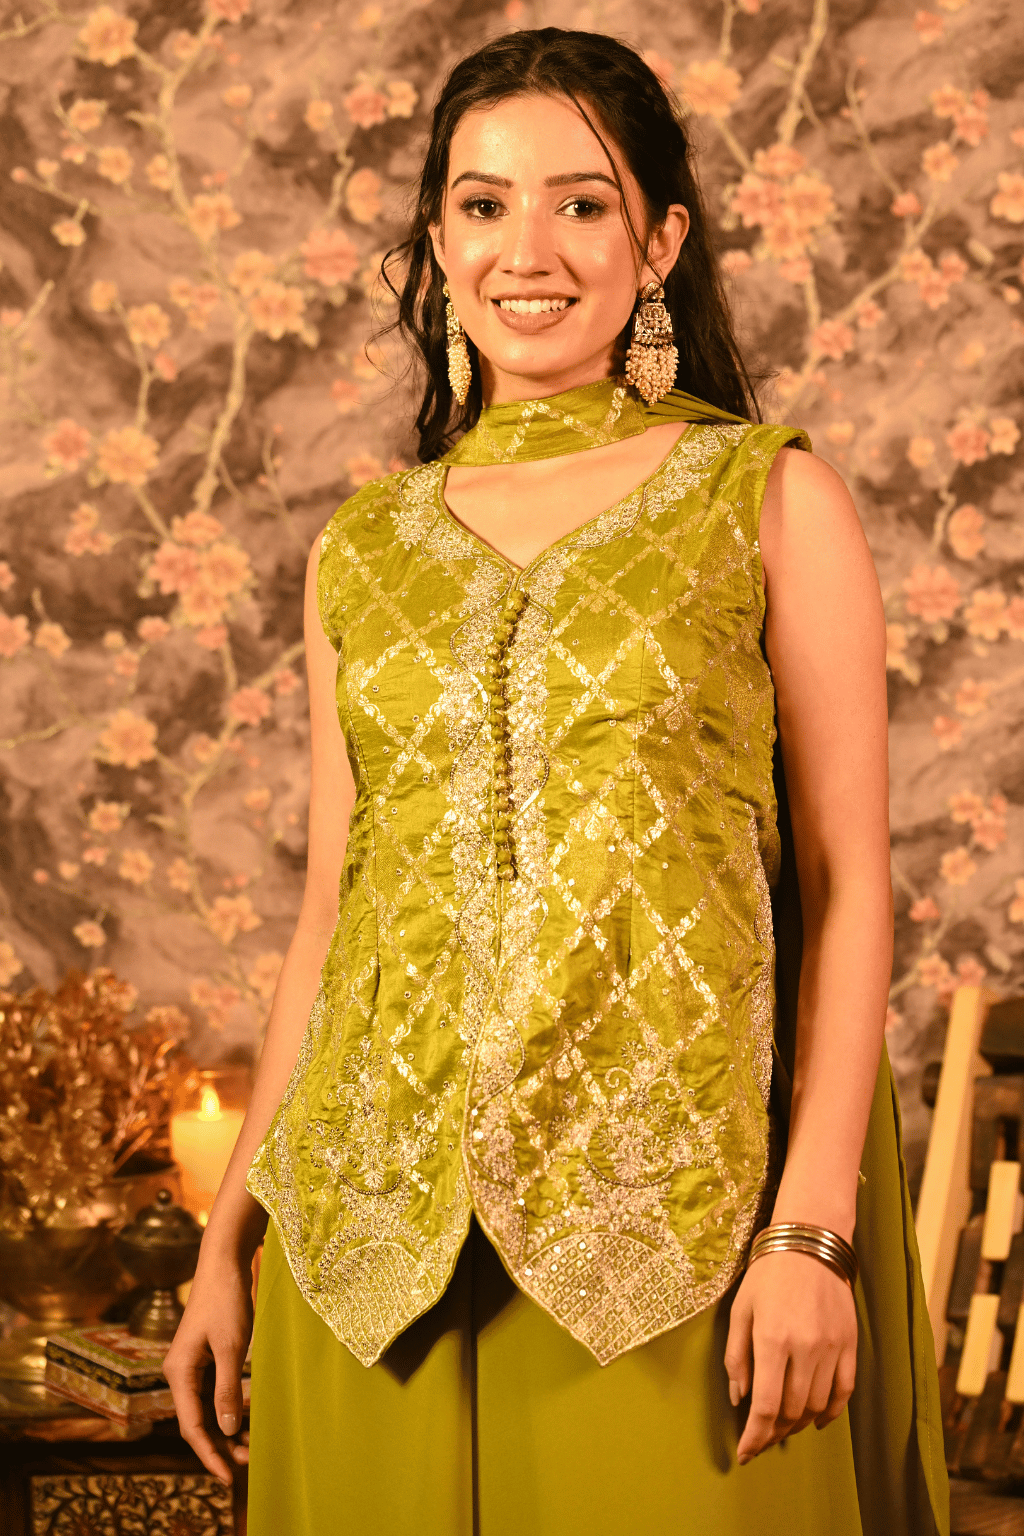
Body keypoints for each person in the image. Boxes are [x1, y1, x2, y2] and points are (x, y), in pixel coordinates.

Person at [164, 28, 950, 1536]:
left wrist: (813, 1235)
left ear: (660, 242)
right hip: (365, 1249)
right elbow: (334, 912)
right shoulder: (362, 548)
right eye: (482, 205)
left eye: (582, 204)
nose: (526, 249)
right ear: (435, 241)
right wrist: (227, 1238)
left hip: (677, 1232)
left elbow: (851, 886)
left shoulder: (769, 497)